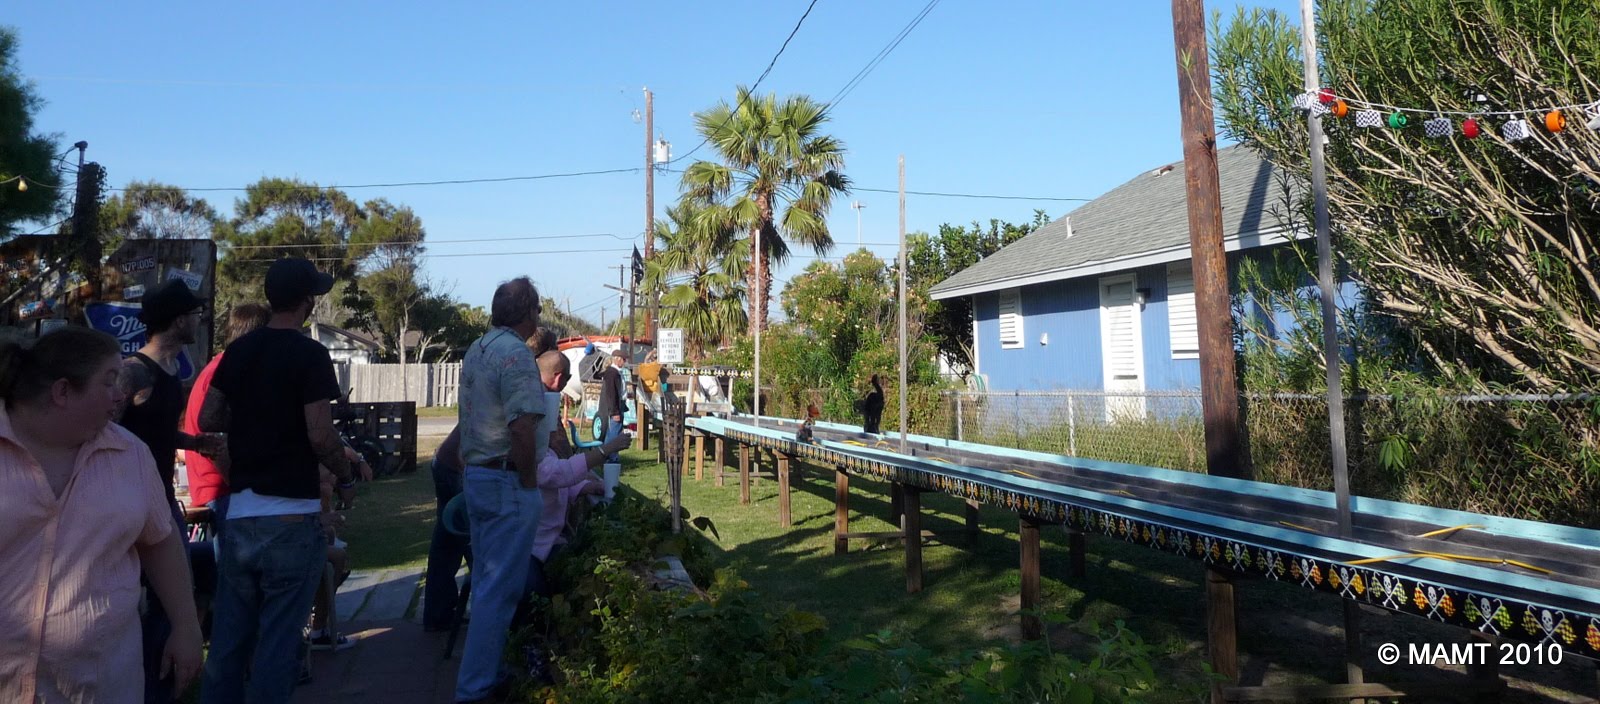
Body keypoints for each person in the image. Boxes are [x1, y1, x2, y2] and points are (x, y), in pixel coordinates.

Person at [0, 327, 203, 702]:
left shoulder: (131, 455)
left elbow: (160, 540)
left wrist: (186, 626)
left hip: (98, 686)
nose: (120, 394)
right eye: (109, 381)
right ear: (63, 391)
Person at [198, 257, 368, 704]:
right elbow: (320, 434)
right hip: (291, 517)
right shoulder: (309, 354)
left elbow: (209, 416)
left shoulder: (239, 351)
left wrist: (253, 421)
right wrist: (346, 476)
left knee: (229, 642)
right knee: (277, 644)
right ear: (307, 301)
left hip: (240, 516)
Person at [114, 279, 226, 704]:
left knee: (173, 601)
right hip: (133, 507)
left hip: (162, 500)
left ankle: (160, 687)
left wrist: (194, 443)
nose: (199, 319)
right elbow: (103, 432)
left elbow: (154, 433)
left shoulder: (169, 371)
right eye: (195, 314)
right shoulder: (134, 372)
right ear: (179, 320)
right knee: (149, 603)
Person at [455, 276, 547, 704]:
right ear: (528, 312)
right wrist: (528, 481)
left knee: (486, 584)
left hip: (478, 475)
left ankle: (483, 674)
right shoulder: (515, 354)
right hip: (506, 478)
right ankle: (476, 689)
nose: (539, 316)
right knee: (499, 590)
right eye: (537, 309)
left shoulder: (477, 348)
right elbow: (522, 427)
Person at [515, 351, 627, 684]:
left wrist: (584, 487)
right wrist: (606, 450)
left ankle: (566, 654)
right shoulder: (531, 444)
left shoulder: (542, 442)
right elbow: (555, 474)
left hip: (545, 542)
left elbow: (557, 482)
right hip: (528, 547)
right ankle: (538, 661)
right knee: (539, 599)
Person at [183, 303, 271, 524]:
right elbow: (216, 442)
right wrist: (247, 489)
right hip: (223, 493)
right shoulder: (225, 374)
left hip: (229, 492)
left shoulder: (225, 368)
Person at [421, 424, 468, 632]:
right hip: (454, 468)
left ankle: (438, 614)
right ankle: (439, 614)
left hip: (446, 463)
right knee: (466, 542)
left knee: (447, 544)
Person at [596, 349, 627, 462]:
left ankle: (607, 457)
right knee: (614, 434)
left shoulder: (615, 372)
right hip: (615, 408)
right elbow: (611, 394)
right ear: (617, 359)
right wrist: (614, 412)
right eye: (623, 359)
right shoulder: (612, 373)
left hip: (619, 405)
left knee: (613, 433)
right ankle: (610, 457)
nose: (624, 362)